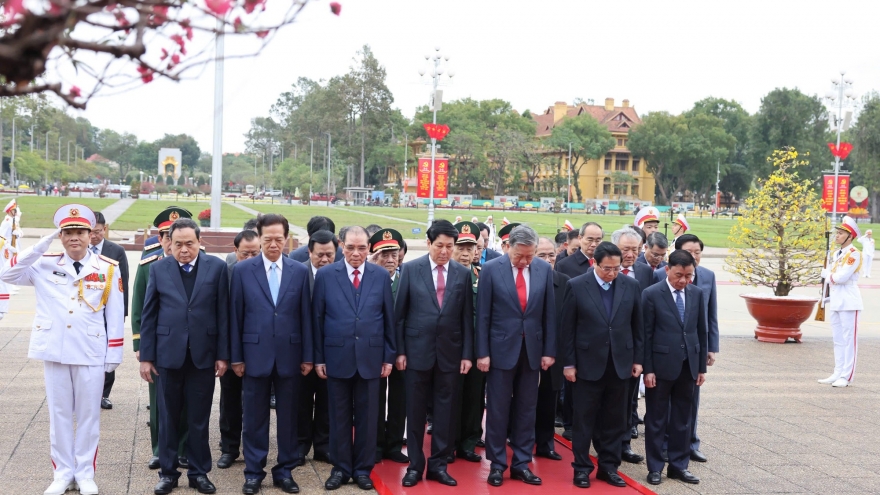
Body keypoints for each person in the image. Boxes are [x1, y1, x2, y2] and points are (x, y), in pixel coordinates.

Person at [1, 204, 124, 495]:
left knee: (88, 416)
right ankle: (62, 473)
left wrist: (113, 355)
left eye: (80, 231)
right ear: (60, 235)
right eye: (68, 232)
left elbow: (115, 315)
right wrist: (40, 245)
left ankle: (85, 474)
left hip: (90, 350)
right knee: (58, 415)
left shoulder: (107, 268)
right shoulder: (44, 263)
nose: (74, 238)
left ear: (91, 234)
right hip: (55, 349)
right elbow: (7, 274)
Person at [140, 218, 230, 495]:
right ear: (169, 244)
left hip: (203, 355)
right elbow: (149, 314)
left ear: (199, 242)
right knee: (168, 416)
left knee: (199, 418)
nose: (184, 250)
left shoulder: (217, 268)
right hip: (168, 355)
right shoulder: (158, 269)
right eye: (178, 244)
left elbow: (223, 313)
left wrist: (223, 355)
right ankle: (168, 473)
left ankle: (199, 472)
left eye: (189, 243)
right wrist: (146, 356)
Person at [229, 214, 312, 494]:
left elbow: (306, 318)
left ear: (287, 239)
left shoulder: (299, 271)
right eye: (268, 239)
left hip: (290, 355)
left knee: (289, 418)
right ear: (259, 238)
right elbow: (235, 317)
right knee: (254, 418)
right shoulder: (242, 271)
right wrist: (236, 357)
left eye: (279, 239)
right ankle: (253, 472)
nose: (274, 244)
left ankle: (285, 471)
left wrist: (308, 356)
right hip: (254, 355)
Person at [312, 226, 396, 491]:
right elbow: (318, 319)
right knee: (337, 417)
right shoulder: (326, 275)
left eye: (362, 248)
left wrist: (388, 356)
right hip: (336, 357)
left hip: (371, 359)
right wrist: (318, 358)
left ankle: (362, 469)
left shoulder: (381, 276)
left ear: (369, 246)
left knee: (368, 419)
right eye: (350, 247)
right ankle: (340, 468)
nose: (356, 253)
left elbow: (388, 319)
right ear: (341, 245)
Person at [396, 220, 474, 487]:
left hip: (450, 354)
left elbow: (466, 319)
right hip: (417, 352)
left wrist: (466, 355)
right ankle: (415, 466)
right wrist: (401, 351)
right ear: (429, 243)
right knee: (415, 412)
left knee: (446, 412)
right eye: (439, 245)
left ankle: (439, 465)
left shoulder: (463, 274)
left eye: (449, 247)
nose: (444, 251)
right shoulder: (410, 269)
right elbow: (400, 316)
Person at [476, 225, 556, 487]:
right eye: (519, 256)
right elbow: (483, 316)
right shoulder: (491, 269)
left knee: (526, 409)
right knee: (498, 409)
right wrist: (483, 353)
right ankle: (497, 464)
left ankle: (521, 462)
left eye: (529, 256)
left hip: (532, 350)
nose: (524, 261)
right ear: (508, 247)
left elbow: (549, 314)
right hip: (499, 350)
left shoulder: (543, 269)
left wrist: (548, 351)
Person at [560, 242, 643, 489]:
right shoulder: (576, 286)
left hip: (620, 364)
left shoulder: (631, 285)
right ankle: (582, 468)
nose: (612, 273)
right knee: (584, 420)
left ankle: (609, 467)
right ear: (595, 264)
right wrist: (569, 364)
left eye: (617, 268)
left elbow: (638, 327)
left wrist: (638, 359)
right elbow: (567, 329)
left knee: (615, 420)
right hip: (587, 365)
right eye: (607, 268)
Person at [131, 207, 193, 471]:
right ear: (160, 239)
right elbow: (138, 308)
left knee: (189, 402)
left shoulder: (199, 264)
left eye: (175, 236)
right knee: (159, 402)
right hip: (159, 346)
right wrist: (139, 345)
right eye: (166, 236)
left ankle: (184, 449)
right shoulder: (149, 266)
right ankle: (159, 448)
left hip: (191, 346)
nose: (171, 242)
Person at [642, 250, 707, 486]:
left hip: (688, 365)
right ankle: (655, 467)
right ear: (667, 270)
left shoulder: (697, 294)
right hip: (660, 367)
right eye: (679, 274)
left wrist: (701, 368)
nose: (683, 280)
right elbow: (645, 335)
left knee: (683, 418)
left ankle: (679, 466)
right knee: (657, 419)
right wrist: (648, 369)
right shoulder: (651, 294)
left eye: (688, 275)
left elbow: (701, 331)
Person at [655, 234, 718, 463]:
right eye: (689, 252)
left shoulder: (708, 277)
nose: (694, 256)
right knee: (664, 405)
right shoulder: (659, 276)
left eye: (698, 252)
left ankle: (689, 443)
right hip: (666, 353)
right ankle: (664, 444)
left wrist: (711, 347)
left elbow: (710, 316)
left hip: (693, 352)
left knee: (690, 402)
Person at [217, 229, 261, 471]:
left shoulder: (268, 273)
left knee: (256, 402)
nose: (251, 258)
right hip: (233, 349)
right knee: (230, 401)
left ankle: (253, 450)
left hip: (260, 350)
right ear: (235, 252)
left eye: (256, 252)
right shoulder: (227, 273)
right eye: (246, 253)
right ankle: (229, 448)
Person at [610, 227, 654, 464]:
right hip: (606, 346)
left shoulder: (646, 272)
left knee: (629, 400)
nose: (630, 254)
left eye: (635, 250)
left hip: (632, 347)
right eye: (625, 249)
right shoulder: (603, 270)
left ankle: (625, 443)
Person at [367, 228, 408, 465]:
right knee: (375, 399)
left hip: (402, 351)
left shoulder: (407, 279)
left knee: (399, 398)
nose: (390, 259)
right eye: (384, 254)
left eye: (394, 253)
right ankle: (375, 445)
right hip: (375, 350)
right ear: (374, 255)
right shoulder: (369, 280)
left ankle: (393, 444)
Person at [297, 229, 336, 465]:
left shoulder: (339, 273)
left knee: (327, 402)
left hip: (332, 350)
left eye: (329, 255)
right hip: (301, 350)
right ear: (309, 251)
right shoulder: (297, 273)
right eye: (319, 254)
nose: (324, 260)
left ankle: (324, 446)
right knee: (301, 402)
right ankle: (300, 445)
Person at [451, 221, 486, 463]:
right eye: (461, 247)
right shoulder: (443, 275)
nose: (465, 252)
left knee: (474, 398)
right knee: (450, 398)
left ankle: (468, 443)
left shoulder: (482, 277)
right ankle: (448, 443)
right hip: (449, 348)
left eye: (470, 247)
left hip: (475, 349)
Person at [89, 211, 130, 411]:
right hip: (87, 311)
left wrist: (121, 314)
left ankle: (104, 394)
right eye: (90, 231)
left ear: (104, 229)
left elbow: (124, 283)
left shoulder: (116, 250)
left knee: (108, 353)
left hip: (108, 311)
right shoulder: (79, 249)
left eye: (97, 231)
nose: (94, 236)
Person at [532, 237, 569, 462]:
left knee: (549, 401)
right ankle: (519, 440)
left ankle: (545, 443)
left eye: (551, 255)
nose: (547, 261)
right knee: (523, 401)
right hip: (526, 351)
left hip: (553, 353)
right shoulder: (525, 280)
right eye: (541, 256)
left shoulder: (565, 282)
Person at [818, 216, 863, 388]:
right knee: (838, 339)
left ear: (850, 237)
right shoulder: (838, 254)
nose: (837, 236)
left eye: (841, 233)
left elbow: (841, 278)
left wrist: (826, 275)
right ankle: (837, 371)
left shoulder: (854, 255)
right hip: (836, 300)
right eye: (837, 233)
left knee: (849, 340)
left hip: (849, 301)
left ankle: (846, 376)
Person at [0, 199, 23, 320]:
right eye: (14, 210)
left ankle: (11, 285)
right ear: (10, 211)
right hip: (6, 248)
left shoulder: (13, 220)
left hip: (13, 245)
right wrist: (9, 247)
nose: (16, 212)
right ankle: (9, 286)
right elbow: (1, 236)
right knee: (7, 266)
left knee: (14, 264)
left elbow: (18, 231)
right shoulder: (6, 222)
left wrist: (18, 233)